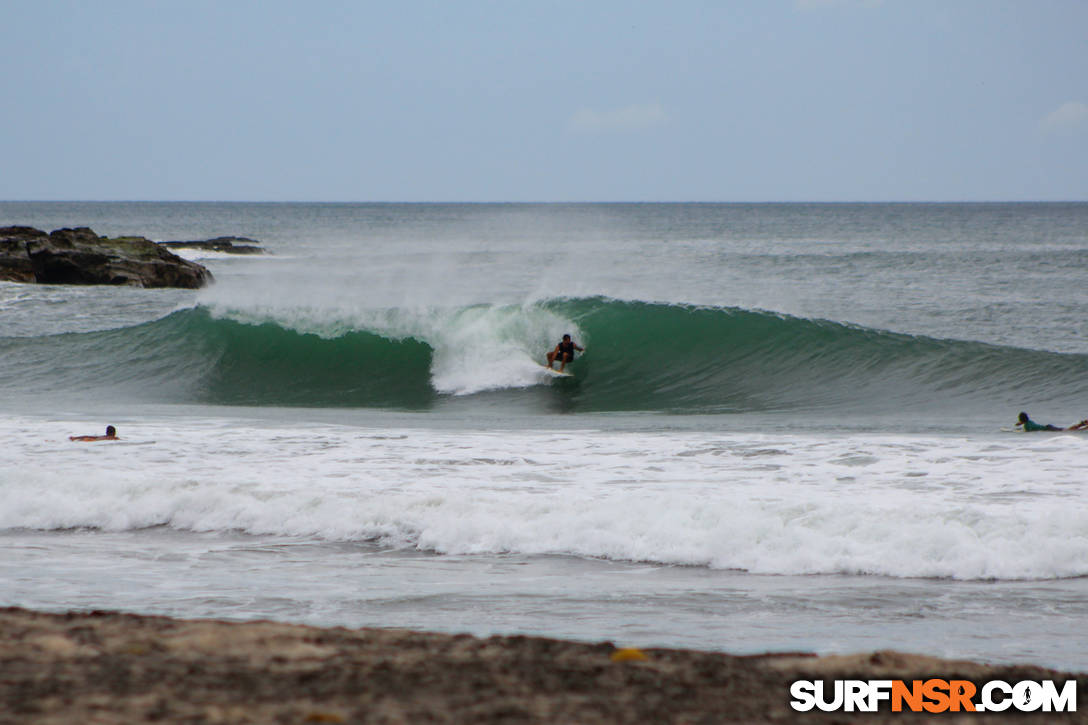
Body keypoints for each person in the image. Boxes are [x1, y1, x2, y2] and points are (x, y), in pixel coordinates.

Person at [1015, 412, 1088, 432]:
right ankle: (1081, 424)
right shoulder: (1029, 422)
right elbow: (1025, 422)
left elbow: (1027, 430)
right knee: (1066, 429)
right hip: (1048, 427)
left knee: (1069, 430)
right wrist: (1020, 423)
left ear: (1021, 419)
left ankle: (1085, 427)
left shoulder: (1027, 426)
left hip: (1048, 429)